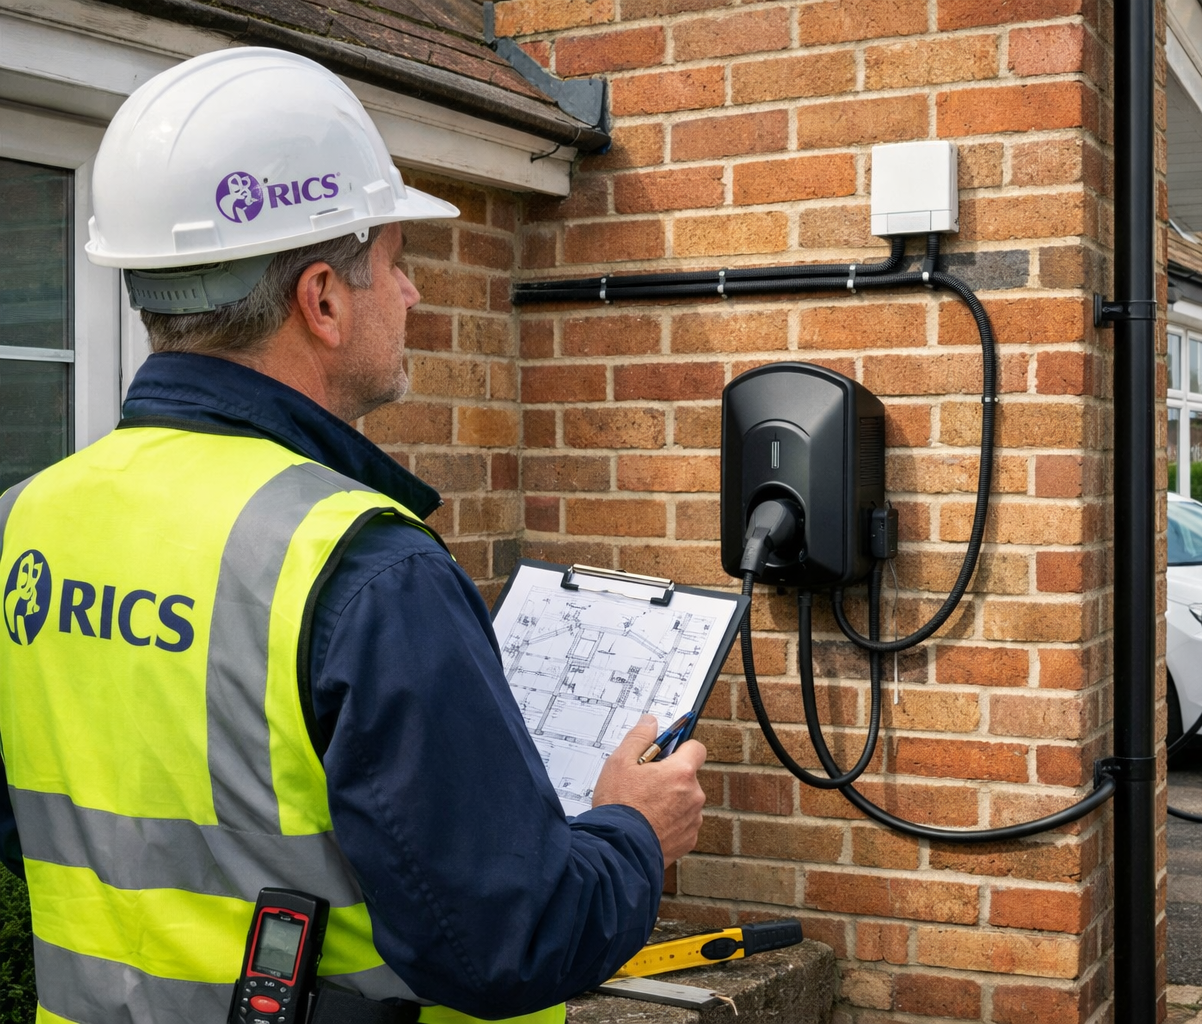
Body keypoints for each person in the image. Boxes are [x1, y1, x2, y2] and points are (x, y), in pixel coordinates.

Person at [0, 47, 705, 1023]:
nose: (413, 297)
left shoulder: (25, 521)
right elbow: (509, 939)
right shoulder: (366, 571)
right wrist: (634, 826)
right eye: (397, 264)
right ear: (323, 298)